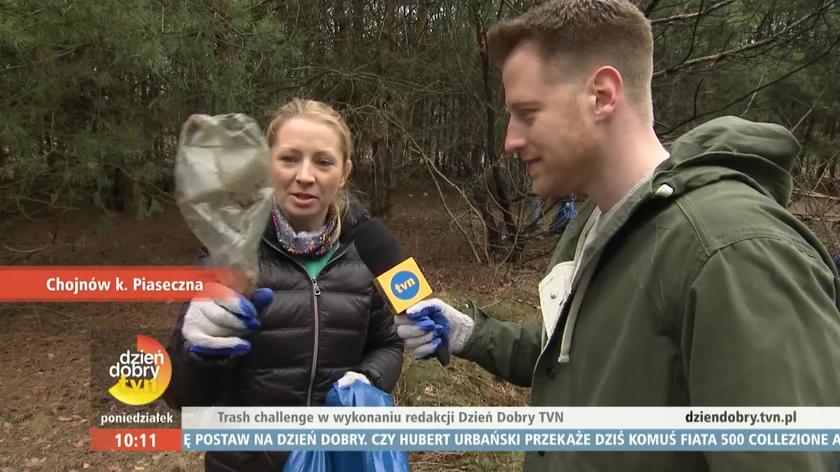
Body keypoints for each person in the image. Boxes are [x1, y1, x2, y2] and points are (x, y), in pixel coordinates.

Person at [396, 1, 840, 470]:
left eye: (527, 113)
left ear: (603, 95)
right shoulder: (592, 227)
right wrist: (469, 334)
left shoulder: (732, 252)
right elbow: (577, 359)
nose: (510, 139)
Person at [164, 99, 404, 471]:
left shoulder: (362, 256)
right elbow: (183, 395)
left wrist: (367, 379)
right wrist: (199, 351)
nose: (305, 175)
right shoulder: (229, 258)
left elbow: (387, 343)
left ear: (344, 172)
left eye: (323, 161)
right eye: (289, 159)